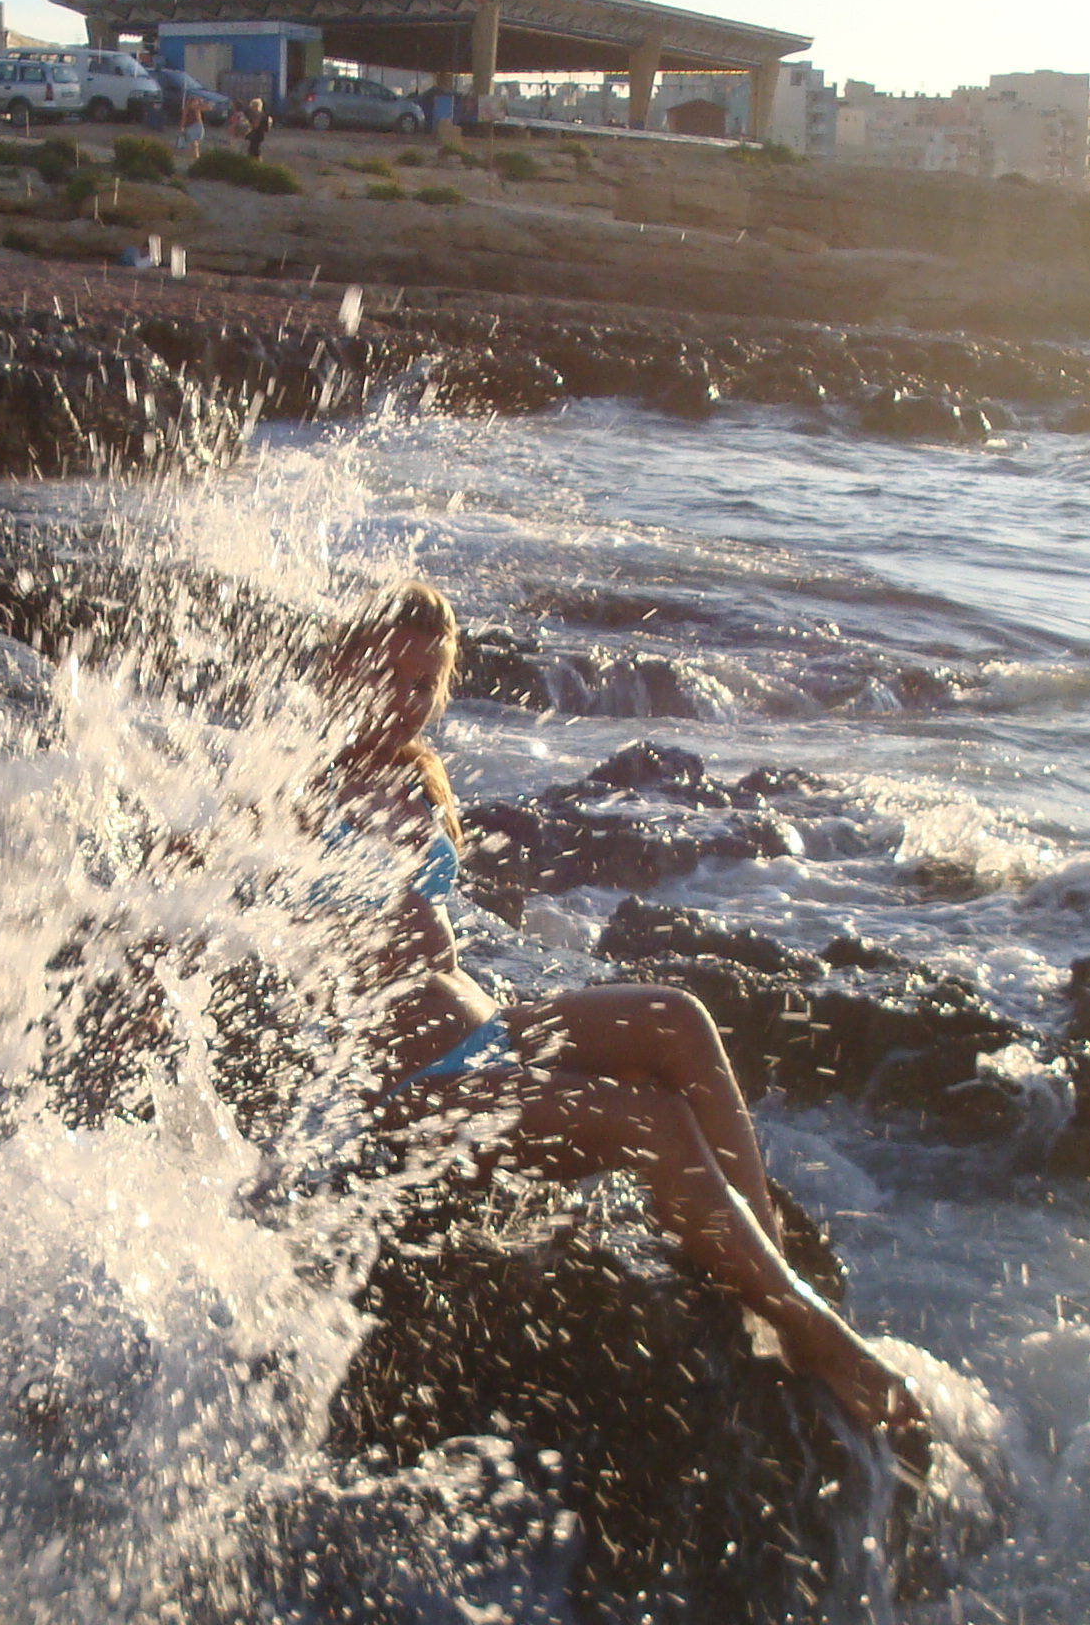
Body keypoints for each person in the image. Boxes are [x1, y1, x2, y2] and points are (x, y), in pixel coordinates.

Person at [304, 583, 928, 1447]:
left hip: (487, 1036)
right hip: (412, 1094)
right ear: (343, 664)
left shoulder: (415, 780)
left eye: (425, 685)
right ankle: (808, 1331)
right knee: (653, 1123)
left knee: (678, 1018)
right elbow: (201, 888)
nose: (405, 702)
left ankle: (768, 1265)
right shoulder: (293, 784)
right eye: (388, 675)